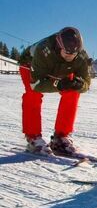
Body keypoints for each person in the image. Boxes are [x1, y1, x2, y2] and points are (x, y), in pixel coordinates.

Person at [18, 27, 91, 155]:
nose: (70, 57)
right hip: (31, 65)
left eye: (74, 55)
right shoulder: (43, 50)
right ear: (59, 47)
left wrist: (79, 85)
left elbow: (86, 84)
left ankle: (61, 137)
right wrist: (58, 84)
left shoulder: (81, 56)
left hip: (60, 68)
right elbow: (36, 84)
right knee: (33, 94)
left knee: (73, 92)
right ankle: (33, 138)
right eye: (67, 53)